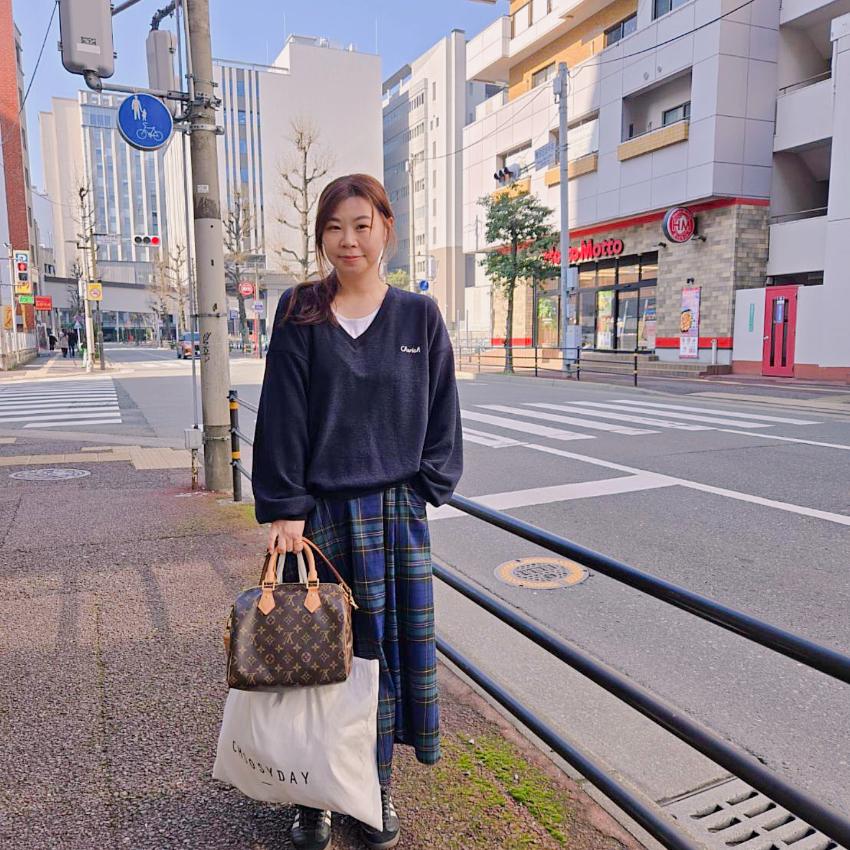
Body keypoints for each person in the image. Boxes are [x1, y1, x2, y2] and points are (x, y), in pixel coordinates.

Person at [252, 174, 463, 850]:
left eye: (361, 225)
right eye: (335, 227)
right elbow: (281, 414)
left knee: (383, 665)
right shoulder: (301, 310)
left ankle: (373, 790)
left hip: (396, 520)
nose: (349, 240)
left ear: (385, 230)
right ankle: (312, 797)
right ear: (321, 235)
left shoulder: (418, 316)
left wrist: (425, 486)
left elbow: (443, 411)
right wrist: (286, 506)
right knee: (318, 662)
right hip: (319, 521)